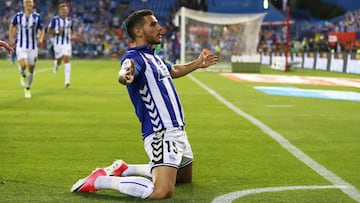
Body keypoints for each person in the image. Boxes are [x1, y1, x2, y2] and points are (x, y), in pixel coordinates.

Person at [71, 9, 218, 199]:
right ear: (139, 32)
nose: (160, 28)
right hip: (161, 132)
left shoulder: (154, 57)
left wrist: (197, 64)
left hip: (179, 131)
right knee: (162, 191)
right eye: (153, 24)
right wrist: (125, 75)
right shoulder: (134, 58)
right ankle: (99, 180)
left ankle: (124, 168)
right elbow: (125, 70)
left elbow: (173, 69)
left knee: (183, 178)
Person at [9, 0, 45, 98]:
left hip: (33, 47)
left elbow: (42, 29)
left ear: (33, 4)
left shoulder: (37, 17)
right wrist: (11, 37)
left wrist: (41, 38)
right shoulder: (18, 16)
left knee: (31, 69)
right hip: (21, 46)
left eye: (30, 2)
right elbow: (12, 25)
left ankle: (27, 88)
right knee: (24, 65)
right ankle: (22, 73)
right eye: (27, 2)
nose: (28, 4)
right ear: (24, 4)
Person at [47, 1, 76, 87]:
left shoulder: (70, 20)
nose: (64, 11)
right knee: (59, 60)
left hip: (67, 43)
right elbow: (49, 30)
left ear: (67, 11)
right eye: (62, 10)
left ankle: (67, 80)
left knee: (67, 58)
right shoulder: (55, 20)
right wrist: (57, 31)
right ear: (60, 11)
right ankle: (56, 64)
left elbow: (73, 29)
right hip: (57, 44)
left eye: (65, 10)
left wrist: (73, 35)